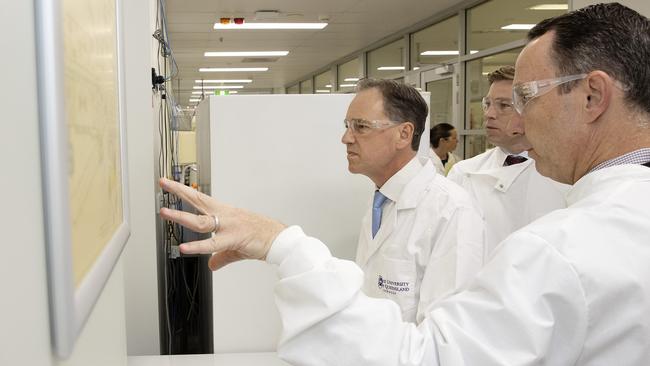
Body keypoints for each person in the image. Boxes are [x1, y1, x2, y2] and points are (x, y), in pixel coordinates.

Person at [159, 3, 650, 364]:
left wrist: (283, 245)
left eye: (525, 95)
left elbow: (429, 356)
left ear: (592, 96)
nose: (515, 117)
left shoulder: (562, 248)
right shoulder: (621, 221)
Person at [341, 79, 485, 323]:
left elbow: (446, 332)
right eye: (347, 126)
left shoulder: (451, 210)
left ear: (404, 134)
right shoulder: (382, 200)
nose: (346, 138)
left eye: (361, 127)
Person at [447, 66, 568, 254]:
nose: (489, 114)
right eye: (487, 104)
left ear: (530, 109)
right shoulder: (463, 174)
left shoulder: (565, 174)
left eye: (503, 105)